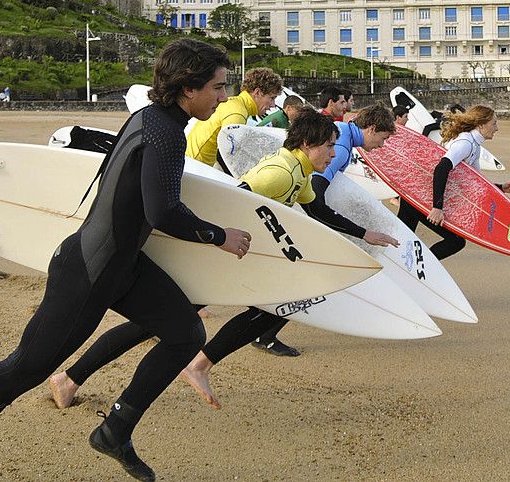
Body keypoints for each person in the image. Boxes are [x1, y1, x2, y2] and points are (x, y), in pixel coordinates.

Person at [0, 38, 252, 482]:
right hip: (90, 272)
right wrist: (218, 236)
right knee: (26, 368)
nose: (223, 97)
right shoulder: (166, 133)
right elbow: (163, 211)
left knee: (184, 332)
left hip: (122, 264)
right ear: (188, 88)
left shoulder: (151, 118)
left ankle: (116, 429)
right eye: (218, 87)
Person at [47, 110, 343, 410]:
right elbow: (234, 201)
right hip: (217, 255)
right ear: (307, 143)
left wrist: (363, 235)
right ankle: (73, 378)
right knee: (157, 323)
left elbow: (316, 211)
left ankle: (76, 378)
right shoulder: (279, 172)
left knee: (270, 308)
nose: (333, 154)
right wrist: (217, 247)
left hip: (234, 256)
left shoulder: (300, 171)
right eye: (329, 146)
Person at [252, 103, 400, 356]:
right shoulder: (340, 148)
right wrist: (355, 232)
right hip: (283, 220)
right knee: (307, 279)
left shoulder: (339, 132)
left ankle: (256, 325)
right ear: (372, 128)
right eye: (383, 139)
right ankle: (264, 333)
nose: (381, 146)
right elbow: (317, 194)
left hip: (281, 215)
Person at [396, 105, 510, 260]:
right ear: (481, 125)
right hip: (419, 196)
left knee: (399, 240)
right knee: (456, 241)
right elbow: (441, 169)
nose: (497, 128)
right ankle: (425, 266)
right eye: (494, 123)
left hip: (419, 194)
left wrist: (500, 187)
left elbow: (475, 183)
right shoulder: (465, 143)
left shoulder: (474, 145)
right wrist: (437, 207)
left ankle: (413, 267)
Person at [185, 67, 283, 170]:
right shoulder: (238, 113)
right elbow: (228, 157)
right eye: (272, 98)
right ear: (257, 92)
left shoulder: (234, 103)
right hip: (196, 169)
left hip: (193, 165)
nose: (273, 105)